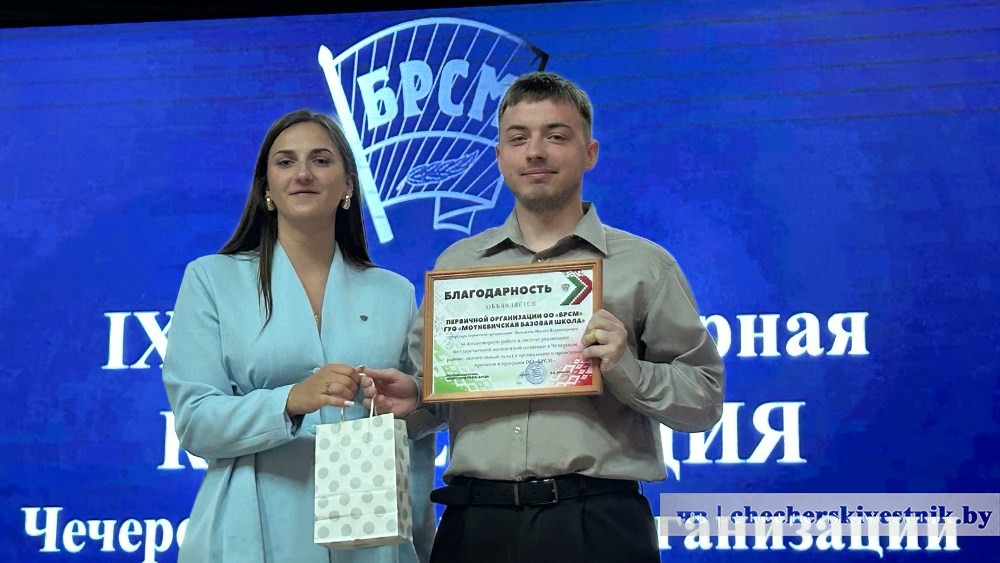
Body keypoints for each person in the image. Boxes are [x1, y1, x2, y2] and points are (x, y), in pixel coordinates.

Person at [363, 72, 725, 563]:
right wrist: (417, 400)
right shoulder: (457, 266)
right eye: (518, 138)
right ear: (500, 157)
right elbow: (442, 398)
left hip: (597, 524)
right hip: (475, 524)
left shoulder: (644, 266)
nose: (535, 152)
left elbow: (704, 401)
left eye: (556, 136)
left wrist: (625, 366)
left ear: (589, 153)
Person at [162, 109, 434, 563]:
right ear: (266, 189)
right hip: (250, 529)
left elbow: (413, 434)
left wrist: (415, 404)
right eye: (285, 162)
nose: (303, 173)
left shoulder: (395, 292)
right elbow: (195, 422)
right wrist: (290, 400)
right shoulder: (211, 279)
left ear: (348, 186)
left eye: (321, 160)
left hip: (369, 537)